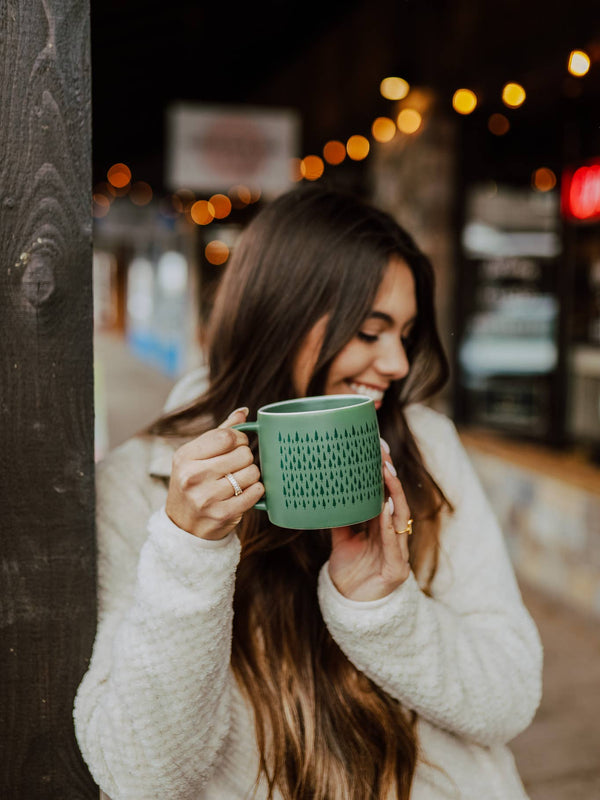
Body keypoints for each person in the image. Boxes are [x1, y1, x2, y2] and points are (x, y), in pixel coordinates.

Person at [74, 185, 542, 800]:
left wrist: (382, 608)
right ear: (281, 319)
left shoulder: (424, 447)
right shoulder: (145, 486)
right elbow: (139, 771)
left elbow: (509, 697)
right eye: (370, 332)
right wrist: (190, 552)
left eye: (405, 333)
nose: (398, 363)